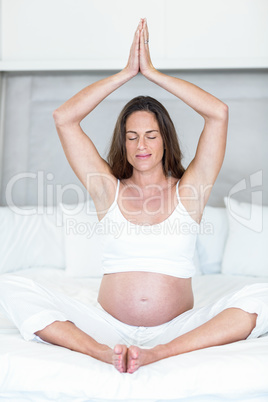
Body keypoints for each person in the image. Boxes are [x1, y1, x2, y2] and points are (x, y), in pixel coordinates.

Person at [0, 18, 267, 375]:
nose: (141, 145)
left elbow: (218, 113)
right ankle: (96, 351)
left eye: (151, 135)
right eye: (132, 136)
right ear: (123, 143)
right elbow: (64, 117)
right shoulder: (106, 188)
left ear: (165, 139)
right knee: (12, 285)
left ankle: (161, 353)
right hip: (106, 328)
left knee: (261, 296)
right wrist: (127, 73)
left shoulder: (191, 189)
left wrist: (152, 73)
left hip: (177, 330)